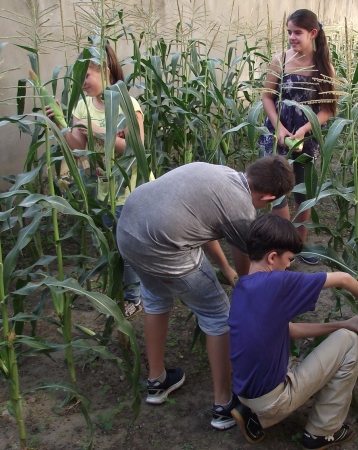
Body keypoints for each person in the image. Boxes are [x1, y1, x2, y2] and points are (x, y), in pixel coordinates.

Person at [115, 155, 294, 430]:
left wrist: (224, 267)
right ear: (269, 198)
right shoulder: (242, 211)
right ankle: (223, 405)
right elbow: (246, 260)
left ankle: (157, 381)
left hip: (129, 233)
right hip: (161, 246)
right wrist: (244, 287)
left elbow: (207, 224)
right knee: (218, 316)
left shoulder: (220, 174)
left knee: (155, 300)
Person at [227, 213, 358, 449]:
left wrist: (342, 323)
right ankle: (322, 431)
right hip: (271, 401)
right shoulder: (277, 282)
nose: (289, 265)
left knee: (343, 333)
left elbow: (290, 330)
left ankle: (252, 415)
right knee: (349, 342)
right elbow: (344, 278)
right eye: (288, 259)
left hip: (245, 393)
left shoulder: (243, 286)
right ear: (273, 257)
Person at [47, 42, 148, 318]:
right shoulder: (82, 105)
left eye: (86, 76)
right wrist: (60, 125)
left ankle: (134, 297)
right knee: (107, 246)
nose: (81, 83)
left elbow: (134, 147)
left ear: (104, 70)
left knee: (127, 250)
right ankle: (117, 293)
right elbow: (77, 145)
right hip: (105, 192)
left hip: (132, 191)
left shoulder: (128, 103)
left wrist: (94, 128)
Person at [258, 9, 337, 265]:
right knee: (276, 191)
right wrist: (279, 128)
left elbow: (327, 109)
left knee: (303, 192)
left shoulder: (323, 66)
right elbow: (268, 96)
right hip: (277, 136)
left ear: (313, 33)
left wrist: (305, 130)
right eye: (289, 32)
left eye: (297, 33)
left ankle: (299, 245)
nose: (291, 37)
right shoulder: (279, 60)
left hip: (306, 138)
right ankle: (283, 247)